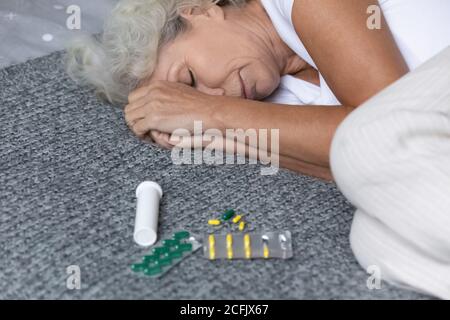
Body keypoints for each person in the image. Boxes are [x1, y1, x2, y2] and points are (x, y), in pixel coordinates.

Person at [66, 0, 450, 298]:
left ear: (200, 11)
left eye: (190, 77)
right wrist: (209, 133)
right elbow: (363, 172)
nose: (215, 94)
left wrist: (212, 113)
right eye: (191, 97)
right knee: (372, 241)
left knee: (362, 151)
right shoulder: (280, 96)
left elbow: (384, 122)